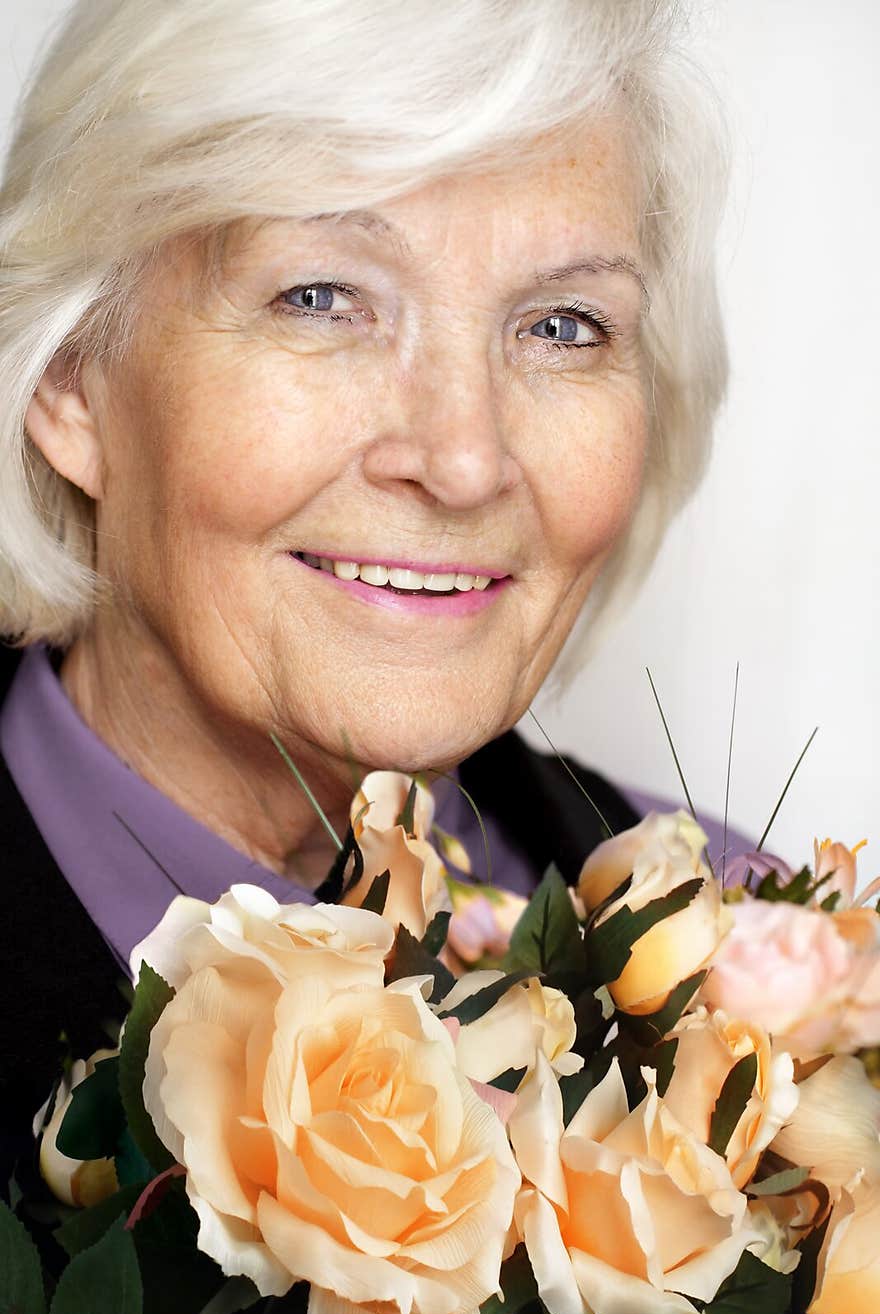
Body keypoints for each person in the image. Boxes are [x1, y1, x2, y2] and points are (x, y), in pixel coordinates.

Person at [0, 0, 744, 1192]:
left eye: (562, 326)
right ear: (73, 382)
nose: (461, 459)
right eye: (322, 298)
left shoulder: (767, 966)